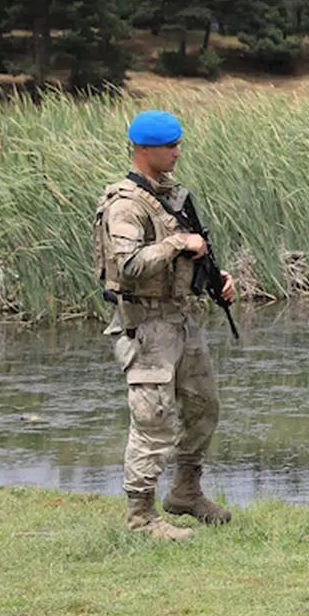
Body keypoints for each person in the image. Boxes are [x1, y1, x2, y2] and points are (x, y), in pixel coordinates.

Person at [93, 110, 235, 540]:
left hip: (179, 319)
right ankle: (141, 517)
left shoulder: (171, 196)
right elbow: (130, 265)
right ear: (144, 149)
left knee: (203, 408)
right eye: (170, 146)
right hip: (146, 324)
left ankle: (186, 492)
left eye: (178, 144)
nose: (178, 151)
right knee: (152, 420)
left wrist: (215, 279)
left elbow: (188, 256)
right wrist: (178, 242)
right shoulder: (125, 205)